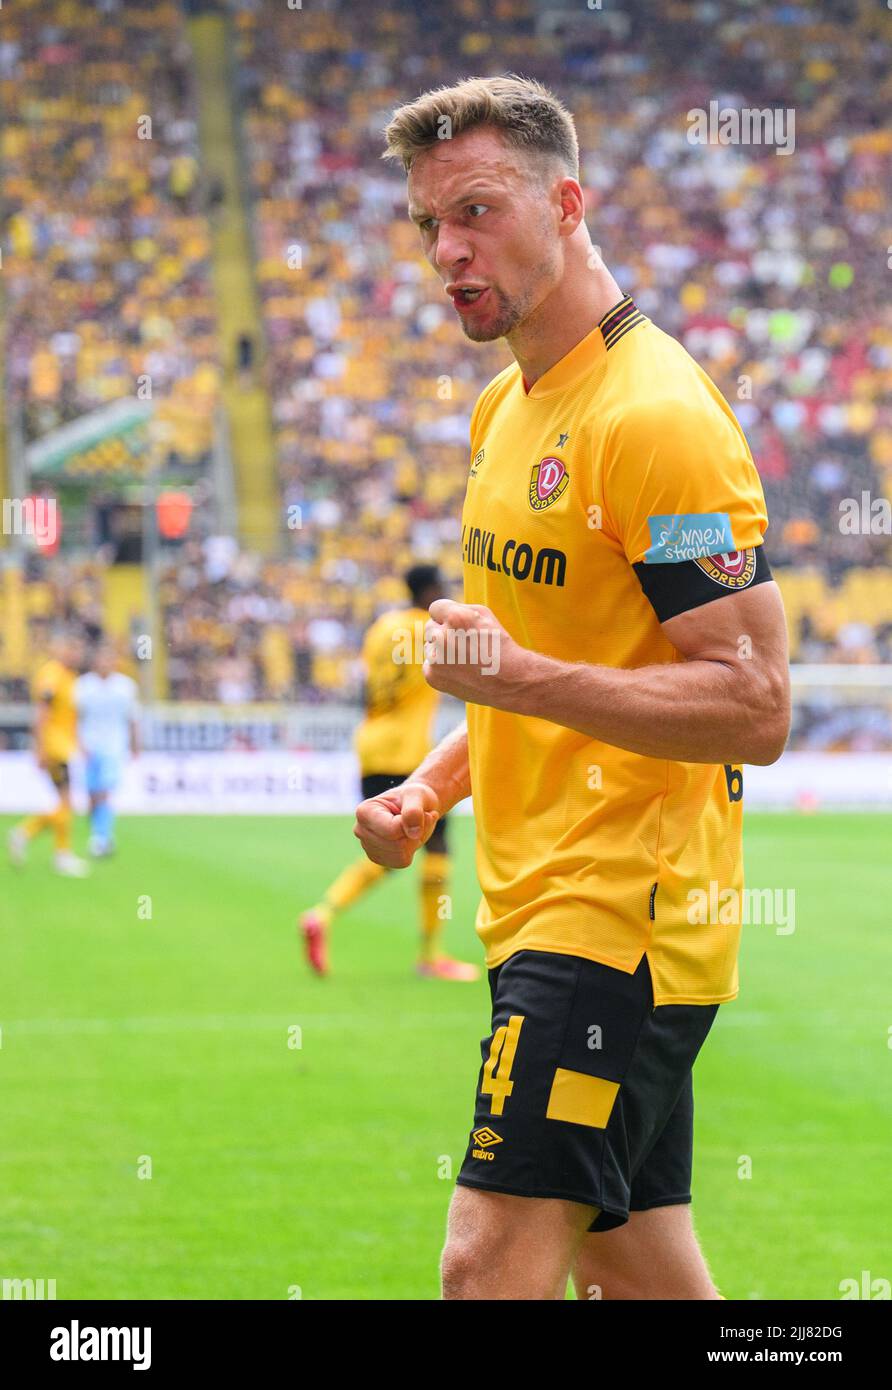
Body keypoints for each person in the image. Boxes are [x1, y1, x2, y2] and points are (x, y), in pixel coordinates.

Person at [353, 75, 791, 1300]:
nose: (447, 250)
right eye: (429, 223)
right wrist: (436, 787)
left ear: (568, 201)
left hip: (621, 921)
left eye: (478, 212)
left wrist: (523, 676)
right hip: (536, 900)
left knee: (484, 1269)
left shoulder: (655, 419)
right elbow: (537, 664)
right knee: (643, 1276)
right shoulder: (507, 403)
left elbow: (754, 704)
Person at [301, 564, 478, 982]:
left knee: (385, 847)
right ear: (433, 590)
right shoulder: (431, 629)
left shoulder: (381, 628)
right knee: (436, 852)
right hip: (410, 756)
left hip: (371, 745)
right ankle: (432, 955)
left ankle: (323, 914)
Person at [8, 629, 90, 877]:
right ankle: (47, 846)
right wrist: (40, 748)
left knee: (65, 802)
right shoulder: (52, 675)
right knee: (66, 802)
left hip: (64, 745)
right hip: (55, 747)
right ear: (60, 649)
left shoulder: (70, 677)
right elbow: (42, 713)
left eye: (78, 650)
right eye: (72, 649)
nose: (76, 654)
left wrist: (80, 743)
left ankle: (33, 838)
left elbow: (70, 718)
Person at [74, 639, 140, 858]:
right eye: (102, 658)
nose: (105, 662)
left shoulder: (126, 686)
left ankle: (102, 837)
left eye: (109, 658)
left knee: (104, 792)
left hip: (114, 746)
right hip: (89, 745)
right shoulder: (83, 685)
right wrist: (78, 743)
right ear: (95, 662)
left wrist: (135, 745)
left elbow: (132, 719)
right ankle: (97, 833)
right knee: (92, 794)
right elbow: (75, 718)